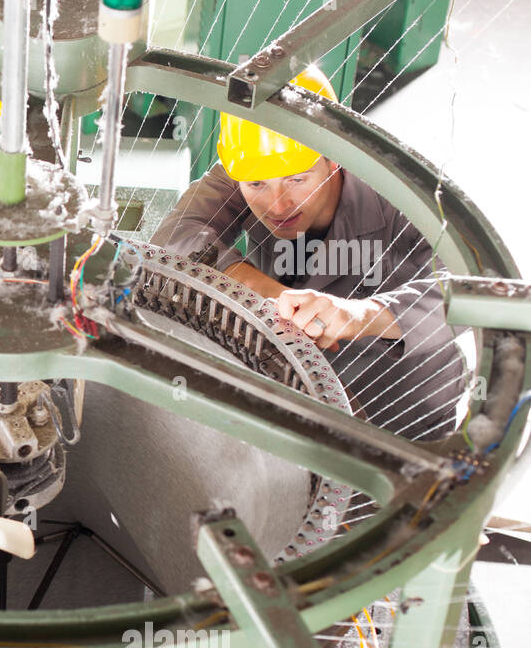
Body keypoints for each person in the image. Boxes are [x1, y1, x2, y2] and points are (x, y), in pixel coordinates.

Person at [150, 67, 467, 440]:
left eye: (298, 180)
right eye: (257, 186)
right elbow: (175, 236)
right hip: (300, 393)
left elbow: (468, 292)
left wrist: (358, 314)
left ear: (336, 158)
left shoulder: (406, 194)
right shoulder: (250, 164)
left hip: (400, 408)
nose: (278, 204)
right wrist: (272, 296)